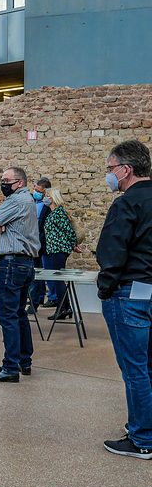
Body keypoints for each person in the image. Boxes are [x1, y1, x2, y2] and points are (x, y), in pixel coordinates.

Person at [96, 140, 152, 459]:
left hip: (129, 293)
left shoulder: (125, 204)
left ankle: (142, 438)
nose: (109, 175)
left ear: (126, 170)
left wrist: (105, 287)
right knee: (148, 366)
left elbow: (111, 252)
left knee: (134, 369)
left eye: (110, 169)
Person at [0, 166, 40, 382]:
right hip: (25, 263)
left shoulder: (16, 201)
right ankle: (25, 361)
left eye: (6, 179)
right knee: (19, 313)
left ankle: (10, 367)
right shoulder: (29, 201)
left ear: (19, 183)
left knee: (8, 316)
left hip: (12, 262)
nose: (2, 183)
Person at [43, 188, 78, 321]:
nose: (45, 198)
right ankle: (65, 307)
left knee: (58, 279)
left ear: (52, 198)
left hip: (59, 250)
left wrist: (74, 244)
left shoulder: (59, 212)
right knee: (57, 279)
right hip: (54, 249)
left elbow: (69, 231)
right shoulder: (53, 213)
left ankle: (63, 308)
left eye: (47, 195)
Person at [29, 176, 53, 311]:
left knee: (39, 273)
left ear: (45, 192)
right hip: (31, 242)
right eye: (35, 189)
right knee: (34, 273)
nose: (35, 192)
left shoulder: (48, 204)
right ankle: (35, 299)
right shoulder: (30, 200)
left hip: (41, 242)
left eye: (39, 190)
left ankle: (37, 300)